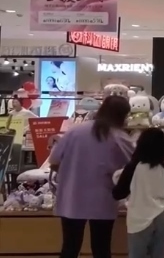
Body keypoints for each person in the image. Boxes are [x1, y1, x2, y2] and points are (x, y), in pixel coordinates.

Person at [50, 95, 134, 258]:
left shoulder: (74, 131)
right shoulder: (120, 137)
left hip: (72, 196)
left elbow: (54, 161)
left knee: (70, 246)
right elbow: (134, 164)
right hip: (103, 197)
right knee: (102, 248)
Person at [113, 128, 164, 258]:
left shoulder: (133, 167)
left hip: (139, 218)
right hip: (160, 217)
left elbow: (118, 194)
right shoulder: (163, 167)